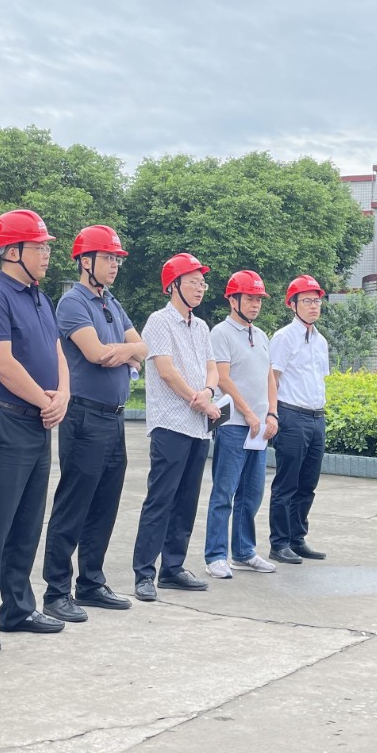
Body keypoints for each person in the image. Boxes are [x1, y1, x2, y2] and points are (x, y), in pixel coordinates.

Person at [0, 209, 70, 656]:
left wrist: (62, 395)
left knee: (26, 521)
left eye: (45, 247)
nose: (46, 254)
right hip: (4, 420)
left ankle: (18, 608)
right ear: (11, 251)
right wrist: (46, 401)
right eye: (38, 247)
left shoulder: (40, 298)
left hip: (38, 421)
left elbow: (57, 352)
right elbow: (3, 364)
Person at [41, 225, 147, 621]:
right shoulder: (73, 303)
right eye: (107, 258)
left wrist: (125, 351)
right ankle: (56, 591)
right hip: (84, 416)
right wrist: (124, 351)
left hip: (114, 418)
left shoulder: (111, 302)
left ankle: (91, 583)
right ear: (85, 261)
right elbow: (96, 353)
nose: (115, 265)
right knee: (74, 503)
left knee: (104, 504)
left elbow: (143, 347)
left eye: (117, 259)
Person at [132, 253, 220, 601]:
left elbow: (212, 368)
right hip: (171, 425)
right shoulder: (159, 321)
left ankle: (173, 568)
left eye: (202, 282)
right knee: (161, 499)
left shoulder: (202, 327)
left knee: (186, 501)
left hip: (198, 425)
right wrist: (195, 398)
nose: (200, 288)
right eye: (193, 282)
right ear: (173, 285)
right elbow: (166, 370)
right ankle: (144, 573)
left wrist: (208, 392)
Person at [204, 271, 280, 579]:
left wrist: (272, 414)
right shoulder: (220, 334)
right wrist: (248, 413)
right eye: (249, 298)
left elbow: (269, 378)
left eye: (258, 299)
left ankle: (244, 551)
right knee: (224, 492)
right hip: (234, 425)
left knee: (252, 493)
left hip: (259, 428)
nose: (255, 304)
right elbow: (223, 378)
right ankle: (215, 555)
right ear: (233, 300)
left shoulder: (261, 336)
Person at [268, 275, 330, 565]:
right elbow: (272, 378)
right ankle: (279, 543)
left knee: (308, 483)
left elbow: (318, 380)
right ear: (292, 304)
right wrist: (272, 413)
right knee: (286, 483)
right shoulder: (283, 337)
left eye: (316, 301)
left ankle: (297, 538)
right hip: (291, 415)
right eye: (306, 301)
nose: (313, 306)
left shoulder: (321, 341)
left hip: (317, 418)